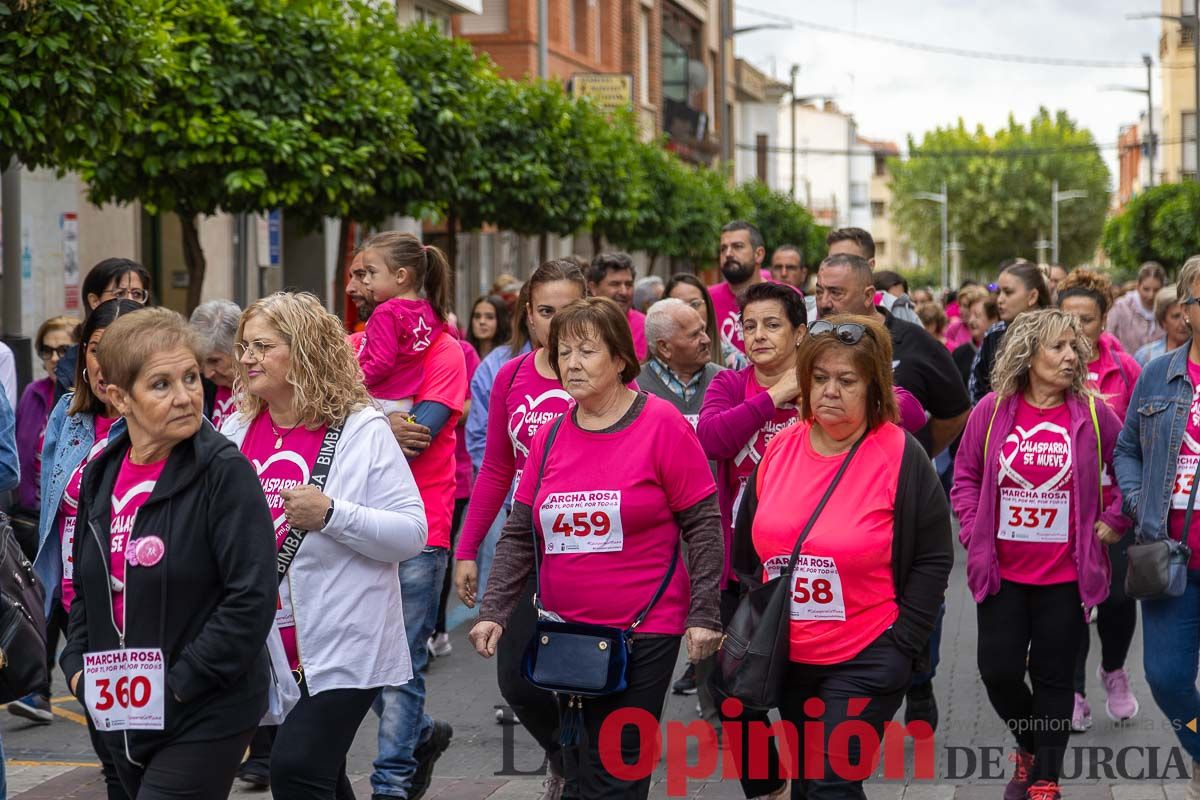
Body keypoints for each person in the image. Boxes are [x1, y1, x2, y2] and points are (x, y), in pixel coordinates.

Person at [469, 297, 724, 800]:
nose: (572, 364)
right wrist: (495, 609)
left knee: (616, 769)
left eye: (587, 351)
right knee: (580, 767)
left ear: (621, 359)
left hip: (644, 630)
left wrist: (705, 613)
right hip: (567, 633)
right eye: (564, 352)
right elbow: (521, 532)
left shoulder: (662, 424)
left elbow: (704, 524)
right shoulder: (550, 435)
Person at [59, 306, 278, 800]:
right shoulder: (100, 475)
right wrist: (75, 668)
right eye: (161, 385)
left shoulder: (224, 471)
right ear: (119, 398)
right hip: (119, 709)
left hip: (204, 706)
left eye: (190, 378)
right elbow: (88, 590)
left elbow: (250, 599)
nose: (185, 397)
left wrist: (177, 685)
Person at [731, 313, 952, 800]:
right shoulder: (781, 448)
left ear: (875, 388)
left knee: (832, 783)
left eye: (846, 380)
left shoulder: (901, 454)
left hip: (867, 652)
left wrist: (904, 641)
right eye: (819, 378)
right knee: (810, 783)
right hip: (788, 654)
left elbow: (935, 558)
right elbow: (746, 547)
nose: (830, 390)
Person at [222, 292, 429, 799]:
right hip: (268, 646)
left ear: (305, 351)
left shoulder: (362, 429)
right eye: (244, 346)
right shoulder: (236, 428)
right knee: (324, 779)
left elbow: (411, 533)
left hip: (344, 644)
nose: (246, 358)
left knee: (296, 771)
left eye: (262, 346)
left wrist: (333, 514)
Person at [953, 309, 1126, 800]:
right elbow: (965, 476)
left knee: (1053, 677)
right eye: (1059, 347)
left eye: (1076, 347)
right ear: (1028, 354)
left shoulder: (1093, 414)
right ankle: (1032, 747)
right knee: (999, 671)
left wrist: (1115, 521)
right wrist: (972, 529)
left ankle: (1045, 778)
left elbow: (1129, 467)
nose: (1071, 356)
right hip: (1002, 573)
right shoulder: (992, 410)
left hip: (1064, 577)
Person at [455, 260, 588, 795]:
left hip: (591, 549)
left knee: (582, 677)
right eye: (546, 312)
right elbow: (495, 470)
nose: (557, 325)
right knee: (516, 676)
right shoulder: (511, 375)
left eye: (570, 311)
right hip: (526, 545)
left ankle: (582, 772)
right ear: (528, 316)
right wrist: (466, 548)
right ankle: (563, 755)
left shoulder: (609, 373)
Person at [19, 302, 141, 753]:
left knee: (140, 750)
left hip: (142, 608)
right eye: (94, 348)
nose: (104, 361)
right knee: (110, 750)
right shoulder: (68, 412)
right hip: (79, 605)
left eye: (119, 347)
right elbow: (53, 506)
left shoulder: (173, 419)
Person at [1113, 254, 1200, 800]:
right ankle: (1197, 748)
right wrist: (1142, 499)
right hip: (1172, 563)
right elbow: (1125, 450)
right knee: (1167, 681)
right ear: (1186, 308)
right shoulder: (1157, 374)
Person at [1056, 269, 1142, 731]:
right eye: (1067, 319)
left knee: (1115, 600)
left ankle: (1114, 671)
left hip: (1115, 510)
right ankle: (1072, 691)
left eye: (1086, 320)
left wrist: (1127, 508)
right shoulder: (1045, 365)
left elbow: (1140, 443)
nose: (1076, 330)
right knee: (1069, 603)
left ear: (1103, 320)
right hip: (1059, 511)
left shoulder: (1125, 369)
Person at [814, 253, 969, 457]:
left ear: (868, 295)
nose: (824, 302)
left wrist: (917, 454)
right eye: (819, 292)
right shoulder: (813, 340)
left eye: (836, 293)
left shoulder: (914, 340)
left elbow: (956, 411)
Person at [357, 232, 450, 415]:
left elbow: (381, 363)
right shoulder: (429, 311)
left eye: (371, 272)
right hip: (405, 402)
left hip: (377, 397)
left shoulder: (385, 313)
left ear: (400, 276)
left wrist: (351, 379)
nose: (365, 280)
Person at [14, 316, 76, 549]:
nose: (54, 359)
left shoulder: (86, 398)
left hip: (71, 519)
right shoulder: (33, 392)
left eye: (63, 350)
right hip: (32, 518)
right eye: (47, 351)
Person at [54, 258, 152, 402]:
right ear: (94, 301)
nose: (129, 301)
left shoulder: (158, 352)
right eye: (119, 293)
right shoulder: (70, 366)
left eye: (137, 294)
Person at [969, 260, 1051, 404]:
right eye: (998, 292)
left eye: (1008, 292)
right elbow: (976, 386)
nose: (1000, 300)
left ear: (1032, 296)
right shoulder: (995, 334)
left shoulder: (1057, 332)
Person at [640, 298, 721, 429]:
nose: (706, 340)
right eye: (694, 335)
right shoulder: (635, 388)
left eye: (703, 330)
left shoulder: (725, 379)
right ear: (664, 347)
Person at [710, 221, 767, 359]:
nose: (728, 254)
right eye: (723, 249)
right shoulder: (706, 299)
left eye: (738, 246)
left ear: (758, 254)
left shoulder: (785, 296)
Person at [189, 299, 241, 430]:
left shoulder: (263, 392)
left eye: (214, 361)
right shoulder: (203, 386)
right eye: (202, 362)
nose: (207, 373)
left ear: (238, 348)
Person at [587, 252, 648, 361]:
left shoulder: (646, 326)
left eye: (629, 284)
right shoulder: (577, 324)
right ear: (593, 288)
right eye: (615, 284)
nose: (624, 292)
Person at [1107, 261, 1167, 356]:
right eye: (1146, 289)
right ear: (1138, 286)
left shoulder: (1166, 310)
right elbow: (1107, 337)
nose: (1151, 295)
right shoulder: (1120, 307)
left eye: (1156, 290)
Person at [665, 273, 723, 367]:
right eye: (679, 306)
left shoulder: (733, 362)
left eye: (695, 304)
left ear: (708, 307)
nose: (689, 312)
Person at [952, 287, 998, 389]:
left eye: (977, 316)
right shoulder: (959, 353)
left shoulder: (1002, 351)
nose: (971, 321)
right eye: (970, 316)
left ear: (994, 319)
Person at [1135, 286, 1189, 366]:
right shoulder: (1146, 356)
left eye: (1186, 315)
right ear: (1163, 321)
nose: (1183, 323)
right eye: (1176, 316)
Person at [467, 295, 512, 361]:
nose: (482, 322)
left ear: (501, 321)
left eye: (490, 317)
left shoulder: (510, 356)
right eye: (477, 316)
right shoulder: (465, 353)